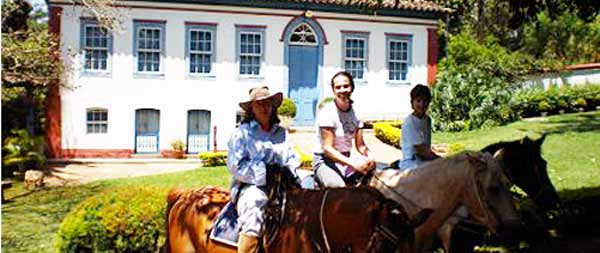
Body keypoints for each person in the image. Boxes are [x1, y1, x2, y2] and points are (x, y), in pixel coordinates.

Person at [227, 86, 301, 253]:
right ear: (251, 109)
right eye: (259, 104)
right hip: (251, 186)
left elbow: (292, 158)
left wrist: (288, 172)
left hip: (283, 185)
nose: (264, 107)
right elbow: (235, 165)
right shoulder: (241, 134)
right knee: (254, 211)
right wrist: (265, 172)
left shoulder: (282, 133)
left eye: (268, 103)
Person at [313, 71, 376, 187]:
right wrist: (353, 164)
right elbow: (328, 150)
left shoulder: (357, 112)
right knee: (339, 189)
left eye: (346, 86)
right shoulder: (327, 112)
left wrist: (371, 157)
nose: (342, 90)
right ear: (333, 90)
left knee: (375, 182)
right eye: (338, 87)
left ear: (352, 87)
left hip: (346, 159)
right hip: (326, 161)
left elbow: (361, 146)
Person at [398, 84, 439, 171]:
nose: (422, 104)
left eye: (425, 101)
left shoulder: (427, 120)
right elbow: (421, 150)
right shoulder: (409, 122)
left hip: (425, 161)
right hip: (411, 163)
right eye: (418, 101)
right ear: (412, 103)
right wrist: (442, 160)